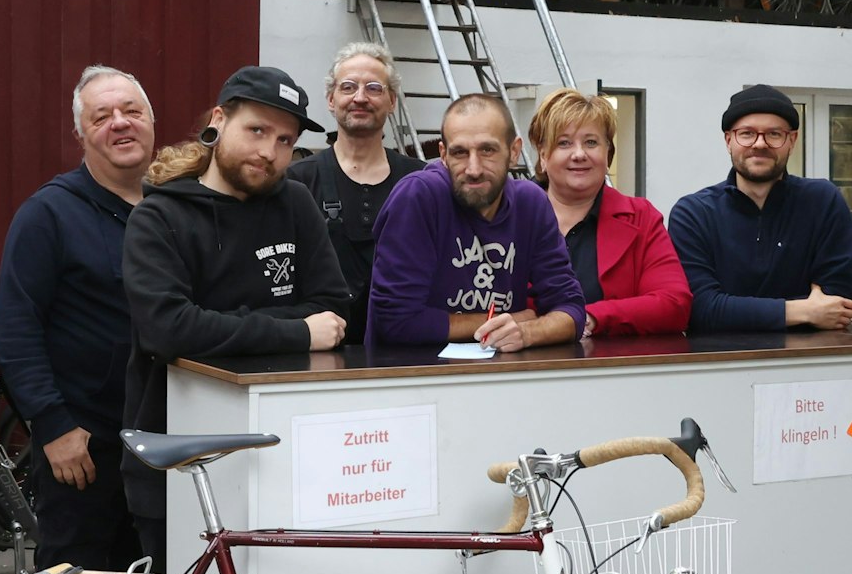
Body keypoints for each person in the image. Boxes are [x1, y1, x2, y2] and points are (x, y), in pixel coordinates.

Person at [0, 64, 155, 574]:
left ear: (152, 120)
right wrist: (53, 425)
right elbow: (18, 328)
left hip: (156, 445)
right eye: (102, 116)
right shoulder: (49, 213)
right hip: (81, 449)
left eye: (132, 110)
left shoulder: (171, 206)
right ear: (82, 132)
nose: (120, 123)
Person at [122, 65, 350, 553]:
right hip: (181, 460)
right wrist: (296, 331)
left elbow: (331, 310)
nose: (270, 152)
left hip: (287, 455)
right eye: (257, 130)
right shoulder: (159, 216)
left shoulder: (296, 203)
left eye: (286, 140)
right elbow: (169, 329)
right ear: (219, 120)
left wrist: (222, 323)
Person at [367, 93, 585, 351]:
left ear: (514, 152)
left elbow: (571, 309)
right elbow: (395, 321)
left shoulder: (531, 204)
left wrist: (526, 332)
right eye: (460, 152)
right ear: (443, 155)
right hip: (412, 378)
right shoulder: (418, 197)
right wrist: (507, 321)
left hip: (497, 378)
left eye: (487, 150)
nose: (473, 169)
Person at [667, 84, 852, 333]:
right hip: (717, 365)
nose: (760, 143)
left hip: (811, 363)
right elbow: (700, 308)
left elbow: (837, 305)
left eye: (774, 134)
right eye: (746, 133)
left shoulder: (823, 202)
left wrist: (732, 309)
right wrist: (804, 311)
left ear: (792, 140)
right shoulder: (693, 214)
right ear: (728, 140)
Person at [285, 43, 427, 343]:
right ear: (331, 99)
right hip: (319, 352)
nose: (360, 98)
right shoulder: (295, 181)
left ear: (391, 101)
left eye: (374, 88)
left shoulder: (421, 181)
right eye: (348, 87)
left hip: (408, 354)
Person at [530, 87, 690, 336]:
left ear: (608, 154)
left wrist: (587, 319)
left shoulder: (641, 217)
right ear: (542, 156)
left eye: (591, 142)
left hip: (614, 371)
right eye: (564, 143)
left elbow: (674, 303)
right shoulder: (511, 218)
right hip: (522, 370)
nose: (579, 154)